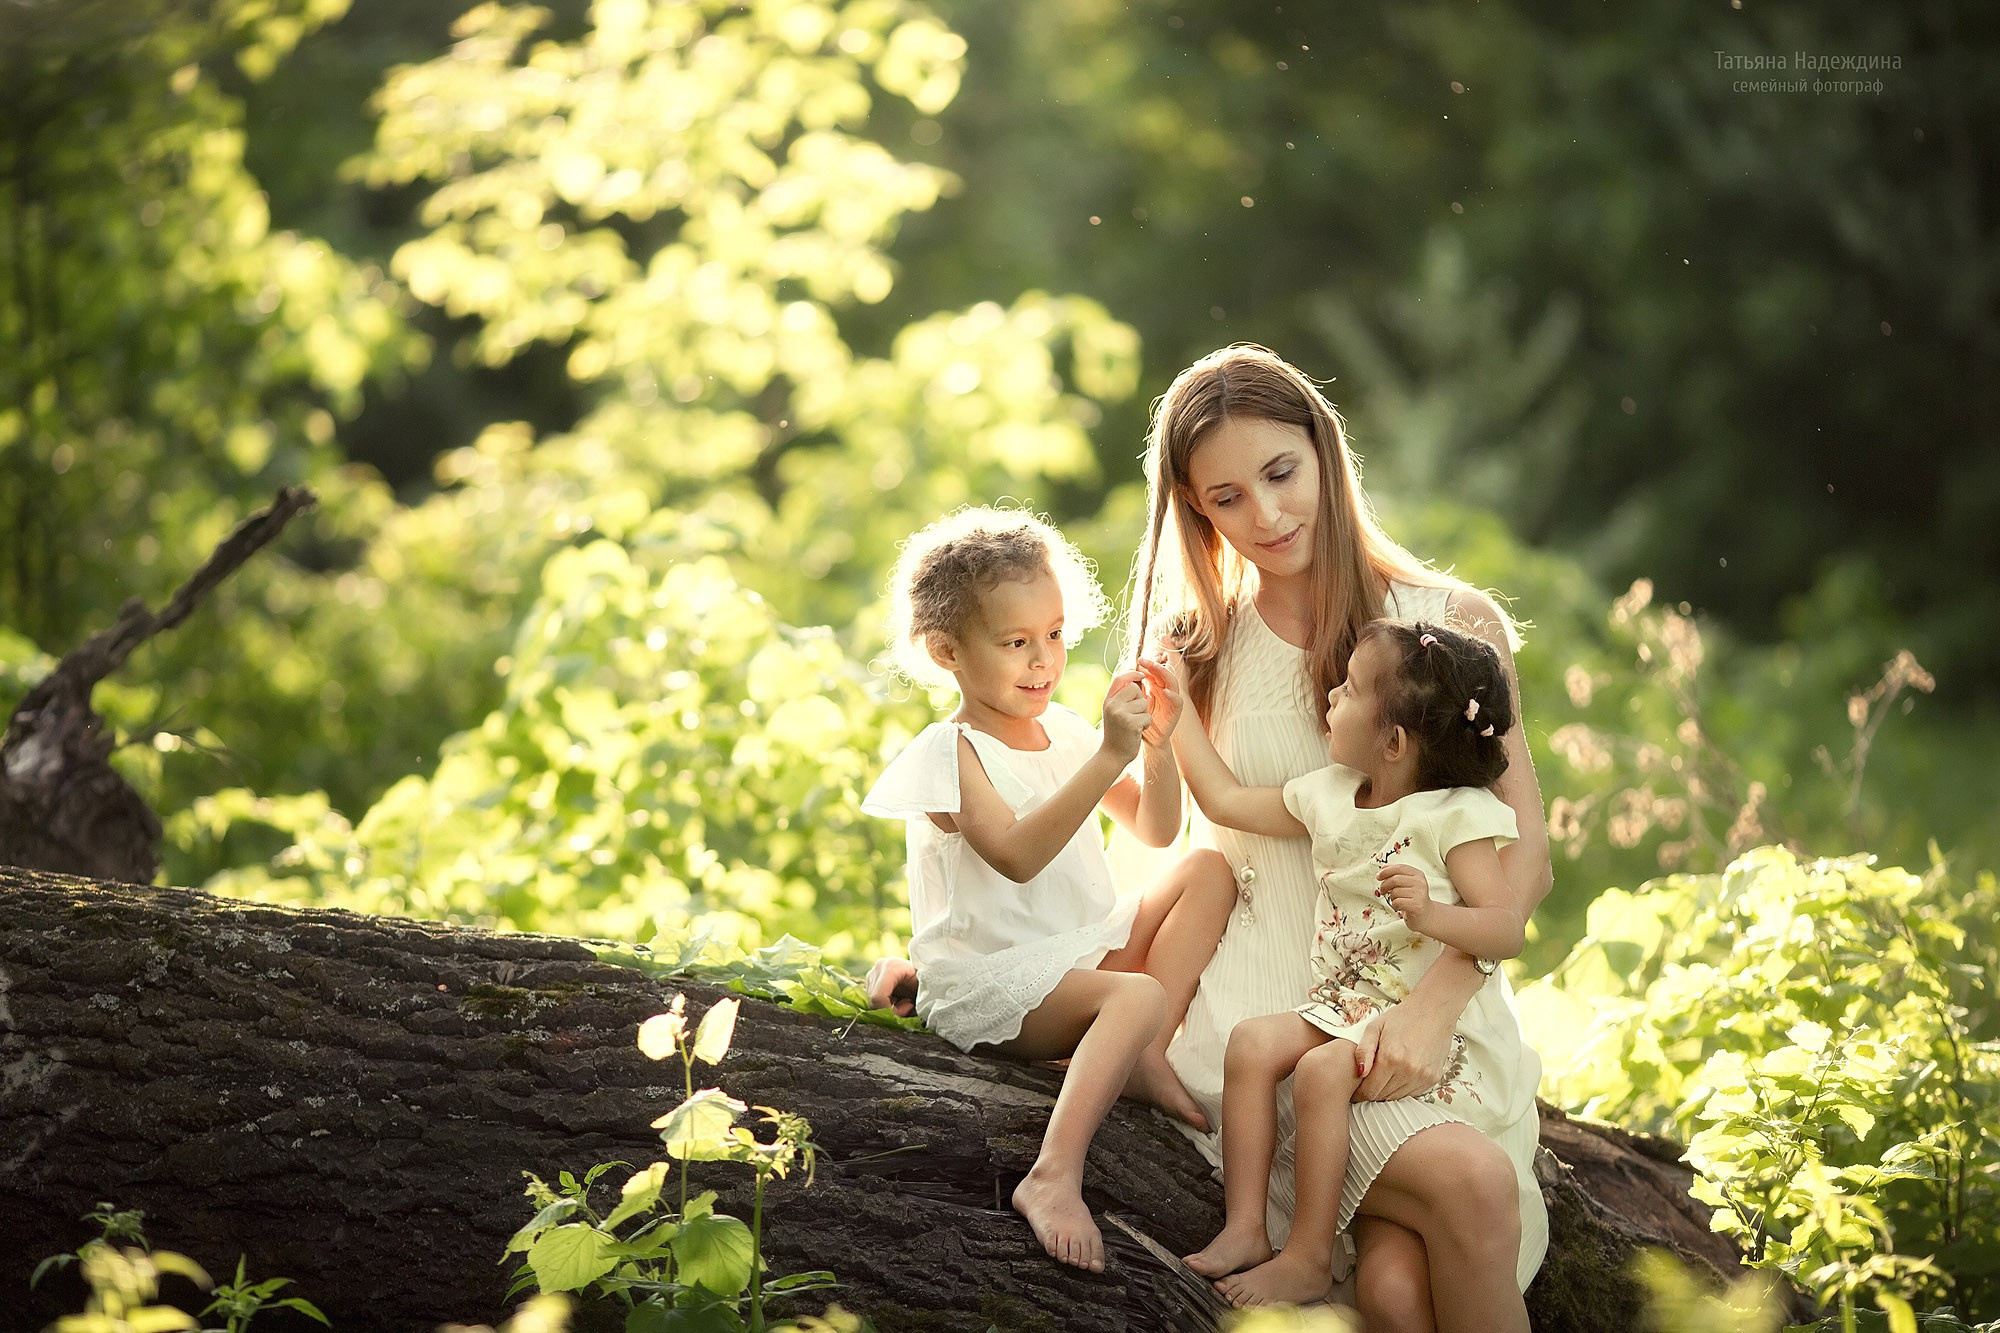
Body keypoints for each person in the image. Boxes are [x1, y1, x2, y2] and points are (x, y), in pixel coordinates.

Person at [867, 346, 1554, 1329]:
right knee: (1450, 1210)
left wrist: (1432, 1009)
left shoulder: (1447, 625)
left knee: (1401, 1290)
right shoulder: (1195, 644)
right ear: (1194, 509)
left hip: (1422, 1017)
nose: (1265, 516)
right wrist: (992, 967)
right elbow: (1167, 831)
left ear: (1323, 450)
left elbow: (1522, 854)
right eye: (1227, 497)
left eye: (1280, 473)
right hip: (1253, 1039)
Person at [859, 506, 1237, 1275]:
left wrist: (1155, 746)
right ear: (947, 651)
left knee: (1208, 870)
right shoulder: (951, 752)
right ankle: (1053, 1173)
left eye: (1056, 634)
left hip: (1075, 955)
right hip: (993, 982)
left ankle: (1137, 1050)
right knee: (1136, 994)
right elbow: (1016, 857)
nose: (1045, 661)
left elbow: (1157, 827)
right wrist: (1107, 756)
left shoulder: (1061, 729)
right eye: (1016, 642)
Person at [1174, 619, 1535, 1315]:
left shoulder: (1454, 816)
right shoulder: (1330, 794)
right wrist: (1176, 706)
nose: (1330, 698)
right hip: (1346, 1003)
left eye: (1348, 689)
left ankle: (1308, 1257)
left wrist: (1431, 915)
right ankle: (1246, 1226)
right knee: (1251, 1044)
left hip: (1418, 1024)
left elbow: (1505, 928)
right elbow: (1224, 800)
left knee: (1319, 1072)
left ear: (1393, 742)